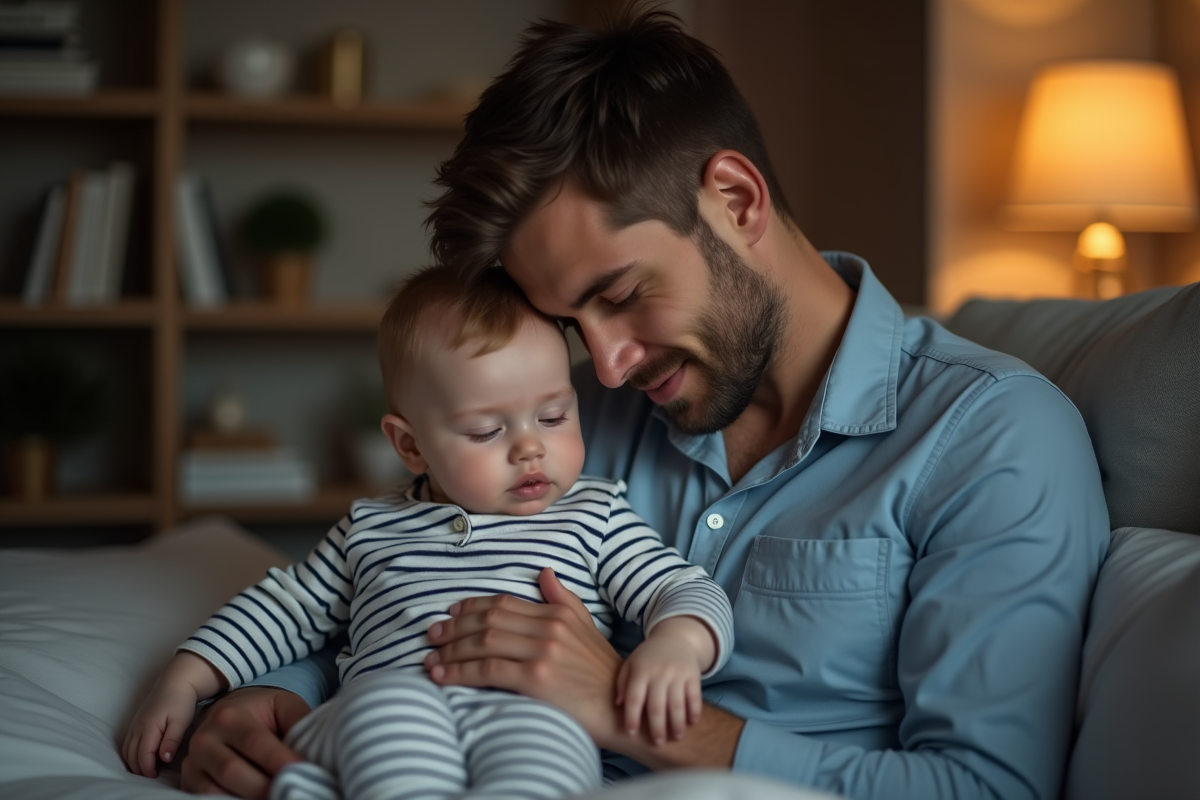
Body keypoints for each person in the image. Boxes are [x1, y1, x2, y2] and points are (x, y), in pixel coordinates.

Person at [179, 7, 1111, 800]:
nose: (610, 368)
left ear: (735, 200)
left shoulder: (990, 437)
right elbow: (425, 582)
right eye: (574, 324)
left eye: (619, 295)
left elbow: (984, 787)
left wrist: (634, 708)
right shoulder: (567, 426)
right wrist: (283, 699)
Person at [127, 266, 733, 800]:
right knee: (382, 720)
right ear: (411, 445)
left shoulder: (595, 514)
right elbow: (284, 609)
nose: (530, 447)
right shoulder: (370, 527)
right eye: (485, 431)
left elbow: (678, 586)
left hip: (533, 712)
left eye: (554, 416)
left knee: (547, 757)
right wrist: (185, 677)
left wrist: (677, 645)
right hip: (393, 702)